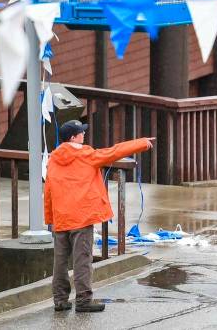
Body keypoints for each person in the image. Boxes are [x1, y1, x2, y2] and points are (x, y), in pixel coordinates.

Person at [44, 119, 153, 313]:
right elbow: (114, 151)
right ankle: (84, 300)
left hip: (61, 217)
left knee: (60, 262)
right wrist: (142, 143)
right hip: (81, 217)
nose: (84, 135)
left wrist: (50, 218)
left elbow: (49, 190)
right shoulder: (86, 154)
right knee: (82, 260)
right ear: (73, 137)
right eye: (81, 132)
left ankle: (60, 300)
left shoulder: (53, 159)